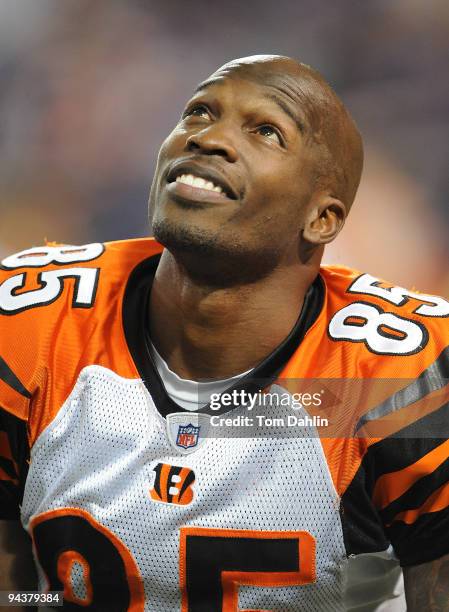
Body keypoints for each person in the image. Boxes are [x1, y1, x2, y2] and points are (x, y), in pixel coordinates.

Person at [0, 54, 448, 611]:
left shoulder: (401, 373)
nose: (208, 138)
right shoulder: (29, 322)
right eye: (198, 112)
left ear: (322, 218)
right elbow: (10, 586)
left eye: (267, 131)